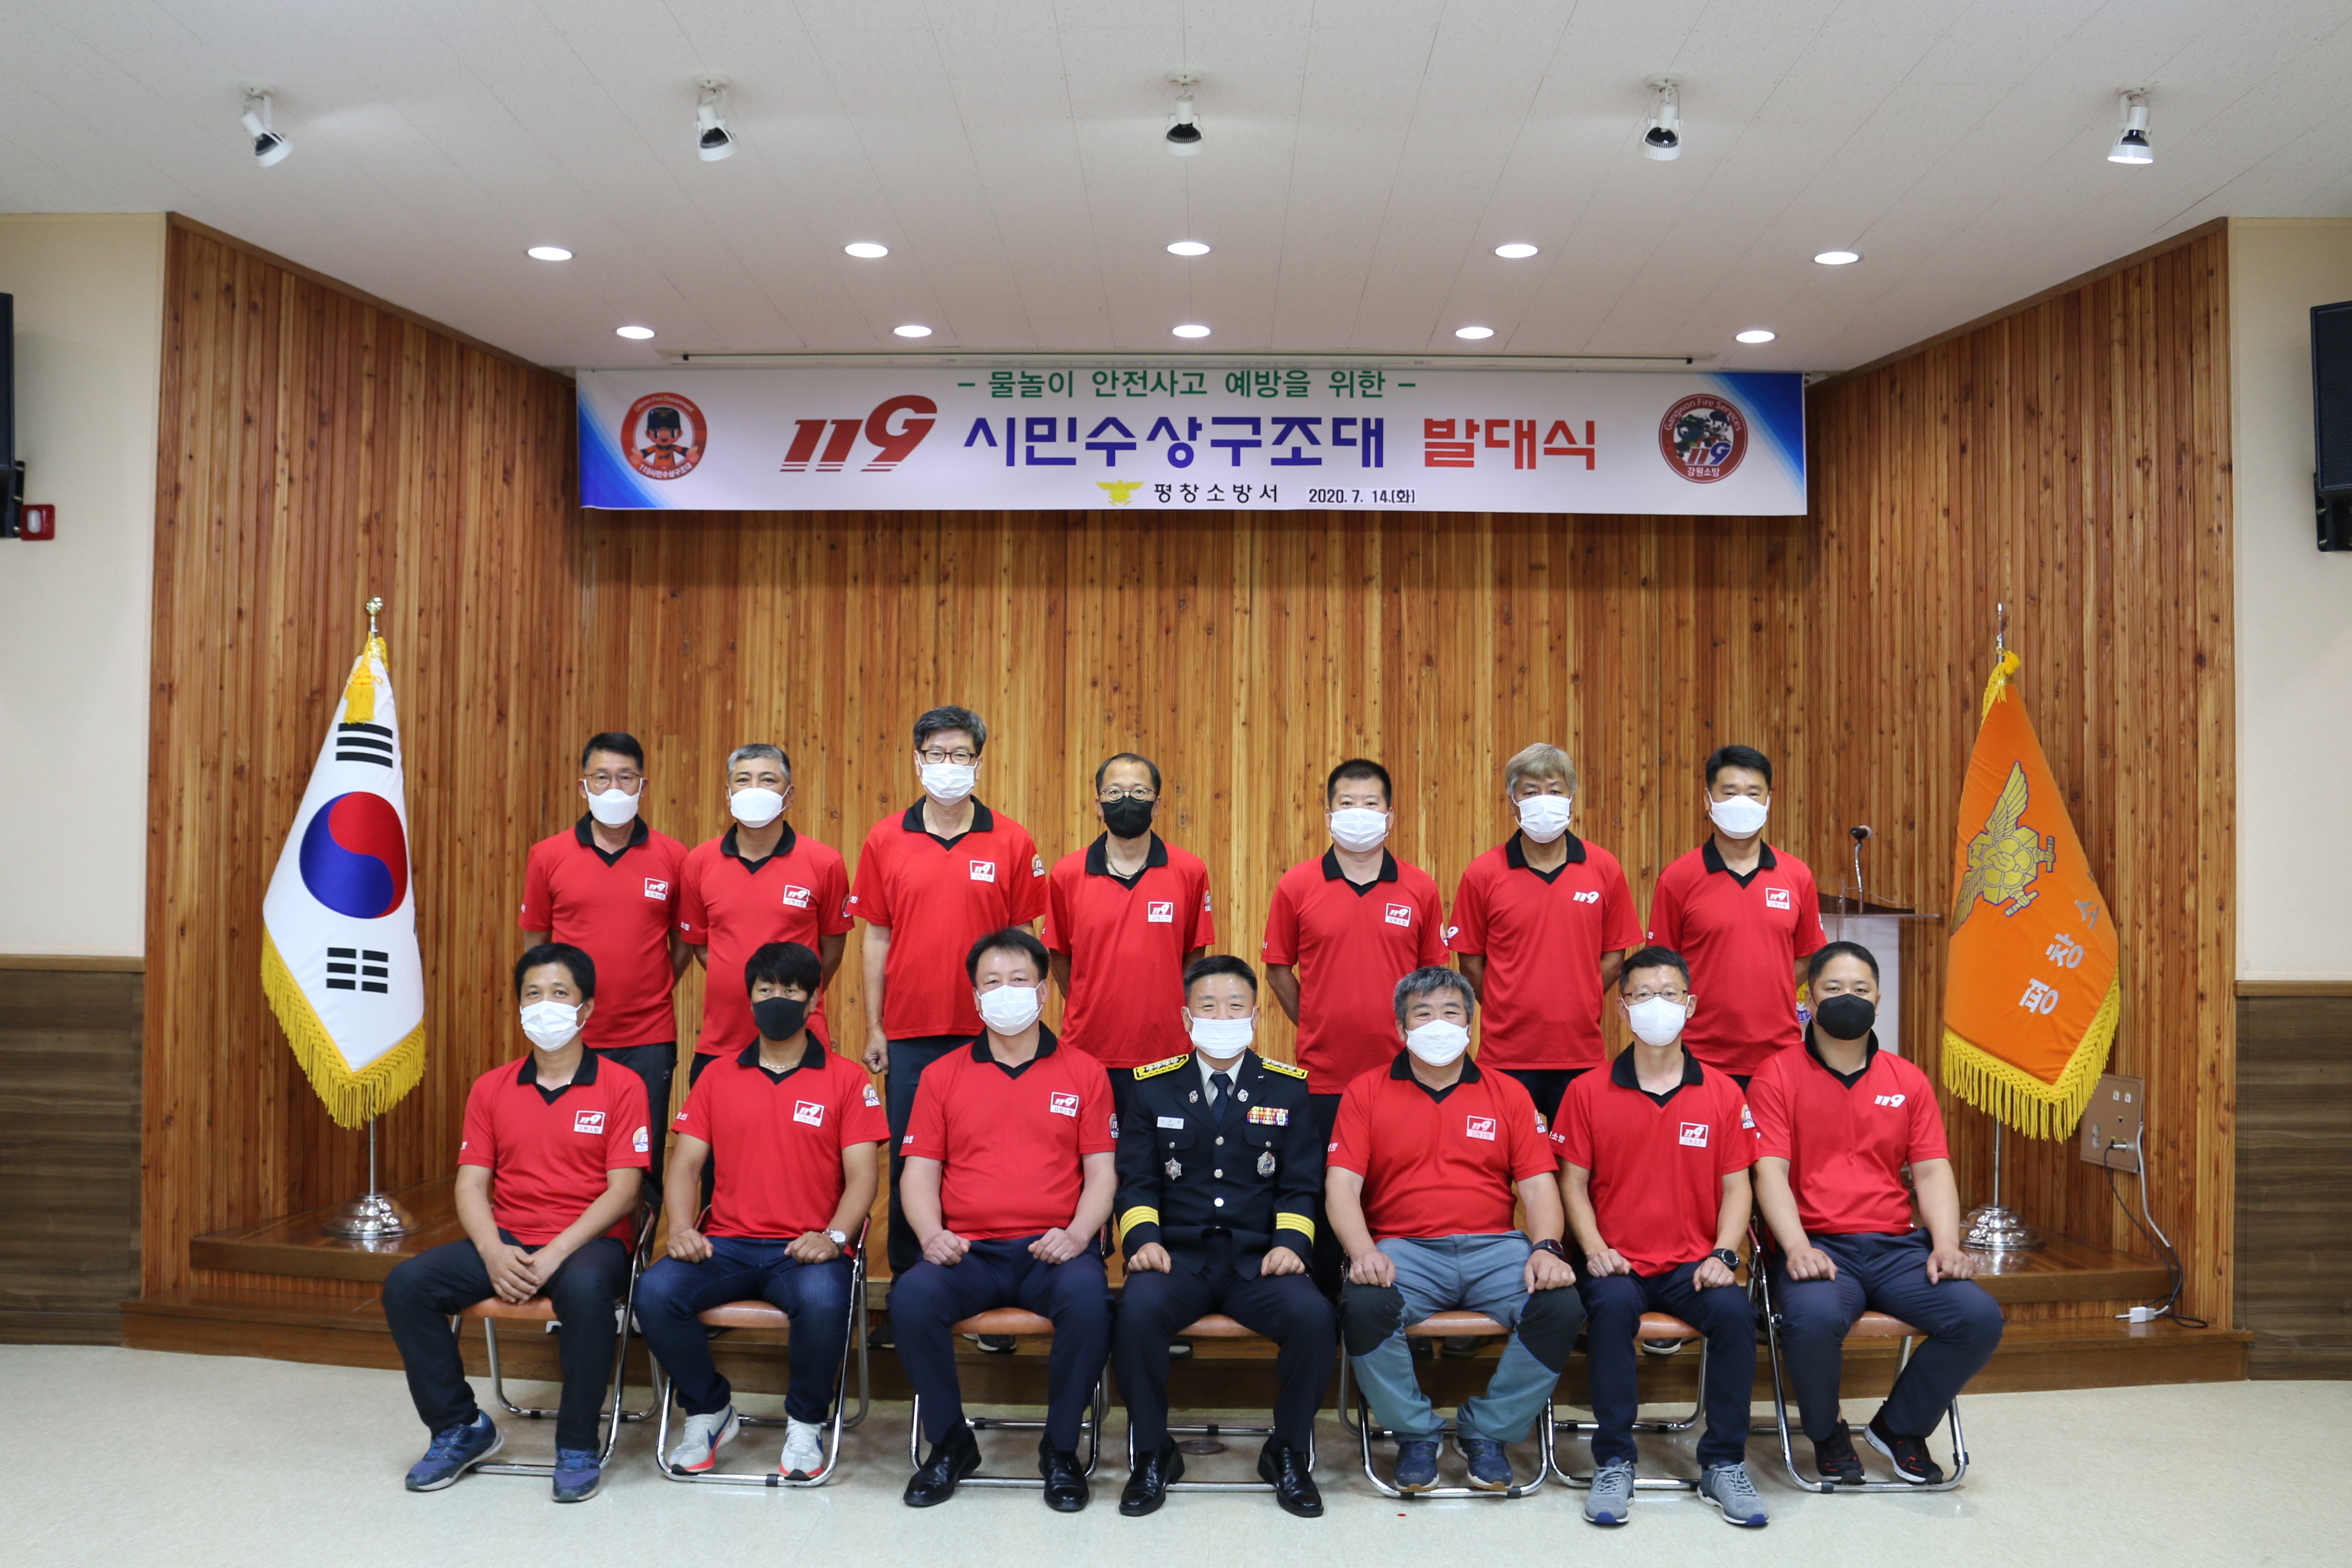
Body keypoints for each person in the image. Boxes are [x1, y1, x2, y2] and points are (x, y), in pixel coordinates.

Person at [381, 945, 649, 1504]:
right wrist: (493, 1251)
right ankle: (460, 1427)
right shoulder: (492, 1087)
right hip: (508, 1238)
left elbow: (624, 1192)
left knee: (586, 1290)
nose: (545, 1005)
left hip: (588, 1241)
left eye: (559, 993)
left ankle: (576, 1443)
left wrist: (554, 1254)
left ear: (585, 1008)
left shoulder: (623, 1086)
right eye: (533, 994)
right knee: (408, 1285)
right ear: (519, 1006)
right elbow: (470, 1186)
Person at [1749, 941, 2004, 1485]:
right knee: (1813, 1320)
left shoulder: (1907, 1079)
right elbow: (1769, 1172)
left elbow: (1932, 1171)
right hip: (1818, 1246)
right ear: (1809, 1000)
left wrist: (1946, 1245)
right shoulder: (1775, 1075)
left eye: (1860, 989)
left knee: (1978, 1318)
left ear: (1878, 1001)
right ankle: (1827, 1432)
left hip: (1896, 1250)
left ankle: (1900, 1427)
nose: (1848, 998)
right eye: (1833, 988)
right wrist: (1796, 1247)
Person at [1325, 967, 1582, 1494]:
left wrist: (1546, 1249)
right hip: (1405, 1250)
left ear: (1470, 1024)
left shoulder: (1508, 1093)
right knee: (1364, 1304)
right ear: (1401, 1028)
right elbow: (1341, 1186)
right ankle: (1415, 1434)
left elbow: (1539, 1187)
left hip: (1496, 1248)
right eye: (1423, 1014)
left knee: (1561, 1305)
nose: (1438, 1024)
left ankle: (1488, 1431)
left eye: (1451, 1012)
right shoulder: (1366, 1091)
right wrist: (1362, 1251)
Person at [635, 941, 886, 1481]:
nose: (777, 999)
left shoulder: (846, 1079)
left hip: (806, 1248)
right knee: (654, 1293)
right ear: (749, 998)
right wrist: (681, 1228)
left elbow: (865, 1175)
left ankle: (806, 1423)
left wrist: (835, 1237)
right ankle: (708, 1411)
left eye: (790, 990)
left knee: (824, 1300)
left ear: (813, 999)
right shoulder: (717, 1076)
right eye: (765, 989)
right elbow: (685, 1165)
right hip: (726, 1245)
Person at [892, 928, 1115, 1512]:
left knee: (1091, 1304)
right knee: (911, 1299)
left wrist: (1078, 1235)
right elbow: (918, 1174)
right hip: (969, 1253)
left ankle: (1061, 1450)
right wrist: (931, 1235)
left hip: (1054, 1251)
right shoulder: (941, 1075)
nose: (1006, 991)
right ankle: (950, 1443)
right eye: (992, 982)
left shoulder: (1085, 1071)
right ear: (976, 997)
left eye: (1019, 980)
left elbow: (1103, 1173)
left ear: (1043, 992)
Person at [1110, 955, 1331, 1518]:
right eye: (1208, 1006)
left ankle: (1287, 1452)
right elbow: (1136, 1182)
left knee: (1313, 1318)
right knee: (1135, 1313)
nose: (1222, 1017)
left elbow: (1300, 1186)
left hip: (1258, 1260)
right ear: (1188, 1017)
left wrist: (1290, 1245)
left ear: (1256, 1015)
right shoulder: (1151, 1087)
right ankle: (1152, 1452)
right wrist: (1143, 1241)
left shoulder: (1287, 1088)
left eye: (1235, 1006)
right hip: (1177, 1257)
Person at [1556, 946, 1768, 1529]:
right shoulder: (1587, 1090)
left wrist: (1724, 1254)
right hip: (1616, 1262)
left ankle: (1723, 1463)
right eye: (1643, 995)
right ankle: (1614, 1461)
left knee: (1735, 1315)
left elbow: (1738, 1188)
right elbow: (1572, 1184)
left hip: (1692, 1265)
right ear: (1623, 1007)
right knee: (1609, 1312)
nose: (1658, 1005)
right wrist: (1594, 1249)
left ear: (1690, 1005)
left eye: (1670, 994)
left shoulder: (1723, 1092)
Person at [852, 705, 1048, 1284]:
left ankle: (986, 1275)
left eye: (960, 754)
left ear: (978, 763)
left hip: (993, 1030)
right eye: (936, 753)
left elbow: (1025, 942)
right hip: (910, 1031)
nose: (948, 764)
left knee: (990, 1158)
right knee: (912, 1158)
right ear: (918, 761)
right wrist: (875, 1026)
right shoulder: (885, 838)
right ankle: (912, 1281)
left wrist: (1027, 1018)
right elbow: (876, 938)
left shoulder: (1011, 839)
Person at [1262, 758, 1446, 1289]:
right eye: (1347, 803)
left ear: (1390, 815)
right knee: (1326, 1199)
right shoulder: (1297, 884)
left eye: (1370, 803)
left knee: (1397, 1198)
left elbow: (1434, 981)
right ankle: (1326, 1309)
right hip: (1324, 1078)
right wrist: (1314, 1018)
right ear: (1328, 814)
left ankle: (1398, 1303)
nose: (1358, 813)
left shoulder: (1419, 887)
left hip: (1404, 1076)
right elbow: (1277, 969)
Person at [520, 731, 687, 1184]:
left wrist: (651, 985)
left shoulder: (674, 857)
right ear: (584, 787)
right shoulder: (547, 855)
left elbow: (682, 943)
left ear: (642, 786)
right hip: (569, 1031)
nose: (614, 787)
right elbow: (537, 946)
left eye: (626, 777)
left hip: (649, 1035)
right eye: (602, 777)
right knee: (571, 1153)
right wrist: (554, 1007)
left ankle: (639, 1234)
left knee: (642, 1157)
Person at [1447, 742, 1641, 1126]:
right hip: (1506, 1056)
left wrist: (1580, 996)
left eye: (1554, 790)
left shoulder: (1604, 868)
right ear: (1513, 803)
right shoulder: (1483, 873)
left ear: (1571, 799)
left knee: (1579, 1159)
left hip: (1580, 1054)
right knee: (1502, 1157)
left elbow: (1615, 957)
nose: (1544, 800)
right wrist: (1506, 1003)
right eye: (1530, 791)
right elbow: (1470, 963)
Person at [1043, 752, 1213, 1119]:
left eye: (1139, 792)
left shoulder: (1190, 871)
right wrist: (1090, 999)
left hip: (1166, 1052)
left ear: (1157, 805)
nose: (1126, 801)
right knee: (1095, 1150)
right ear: (1098, 805)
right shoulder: (1067, 874)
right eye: (1114, 792)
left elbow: (1193, 955)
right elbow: (1058, 955)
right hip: (1089, 1048)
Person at [1647, 744, 1825, 1086]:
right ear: (1708, 800)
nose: (1742, 803)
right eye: (1729, 793)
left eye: (1753, 793)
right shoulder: (1678, 878)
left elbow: (1808, 955)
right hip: (1698, 1055)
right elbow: (1660, 968)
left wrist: (1767, 988)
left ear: (1769, 800)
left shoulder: (1797, 875)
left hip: (1778, 1056)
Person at [675, 743, 852, 1088]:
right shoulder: (698, 862)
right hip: (721, 1041)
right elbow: (701, 945)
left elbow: (831, 950)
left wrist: (793, 991)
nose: (754, 789)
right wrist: (743, 981)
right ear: (728, 793)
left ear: (789, 795)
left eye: (768, 780)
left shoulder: (824, 862)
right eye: (743, 780)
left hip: (801, 1039)